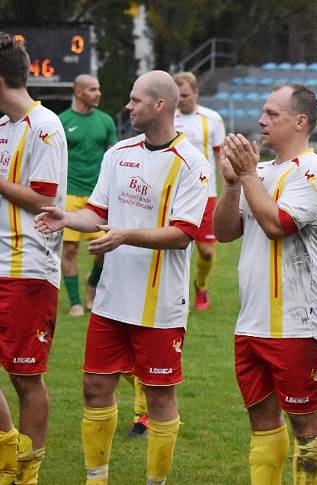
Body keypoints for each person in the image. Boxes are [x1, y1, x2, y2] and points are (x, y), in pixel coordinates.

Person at [35, 70, 208, 485]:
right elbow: (97, 213)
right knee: (94, 386)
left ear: (160, 105)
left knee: (159, 394)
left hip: (160, 304)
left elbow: (183, 234)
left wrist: (125, 235)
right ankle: (97, 479)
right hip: (112, 298)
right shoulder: (119, 153)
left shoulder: (193, 163)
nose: (128, 107)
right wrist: (67, 218)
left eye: (135, 100)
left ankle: (155, 481)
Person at [213, 83, 317, 484]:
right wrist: (232, 184)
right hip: (251, 321)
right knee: (261, 421)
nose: (261, 121)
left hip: (296, 323)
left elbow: (277, 225)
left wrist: (246, 176)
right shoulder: (260, 172)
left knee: (304, 423)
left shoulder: (315, 171)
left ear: (300, 122)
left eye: (272, 114)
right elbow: (225, 231)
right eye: (262, 113)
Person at [0, 31, 68, 484]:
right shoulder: (3, 127)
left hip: (26, 266)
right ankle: (8, 455)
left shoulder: (45, 127)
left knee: (26, 379)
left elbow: (43, 200)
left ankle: (27, 474)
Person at [58, 74, 117, 317]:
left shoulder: (106, 121)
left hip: (98, 197)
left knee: (104, 249)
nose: (98, 93)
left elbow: (114, 157)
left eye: (98, 88)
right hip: (70, 193)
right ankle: (74, 302)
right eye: (93, 89)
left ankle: (92, 286)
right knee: (69, 250)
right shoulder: (62, 121)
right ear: (79, 92)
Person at [173, 71, 225, 311]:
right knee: (173, 247)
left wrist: (227, 191)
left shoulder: (212, 119)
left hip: (206, 194)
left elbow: (221, 157)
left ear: (195, 92)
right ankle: (173, 293)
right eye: (177, 96)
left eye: (185, 95)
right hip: (173, 194)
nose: (181, 100)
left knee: (206, 252)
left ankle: (201, 285)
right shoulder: (166, 118)